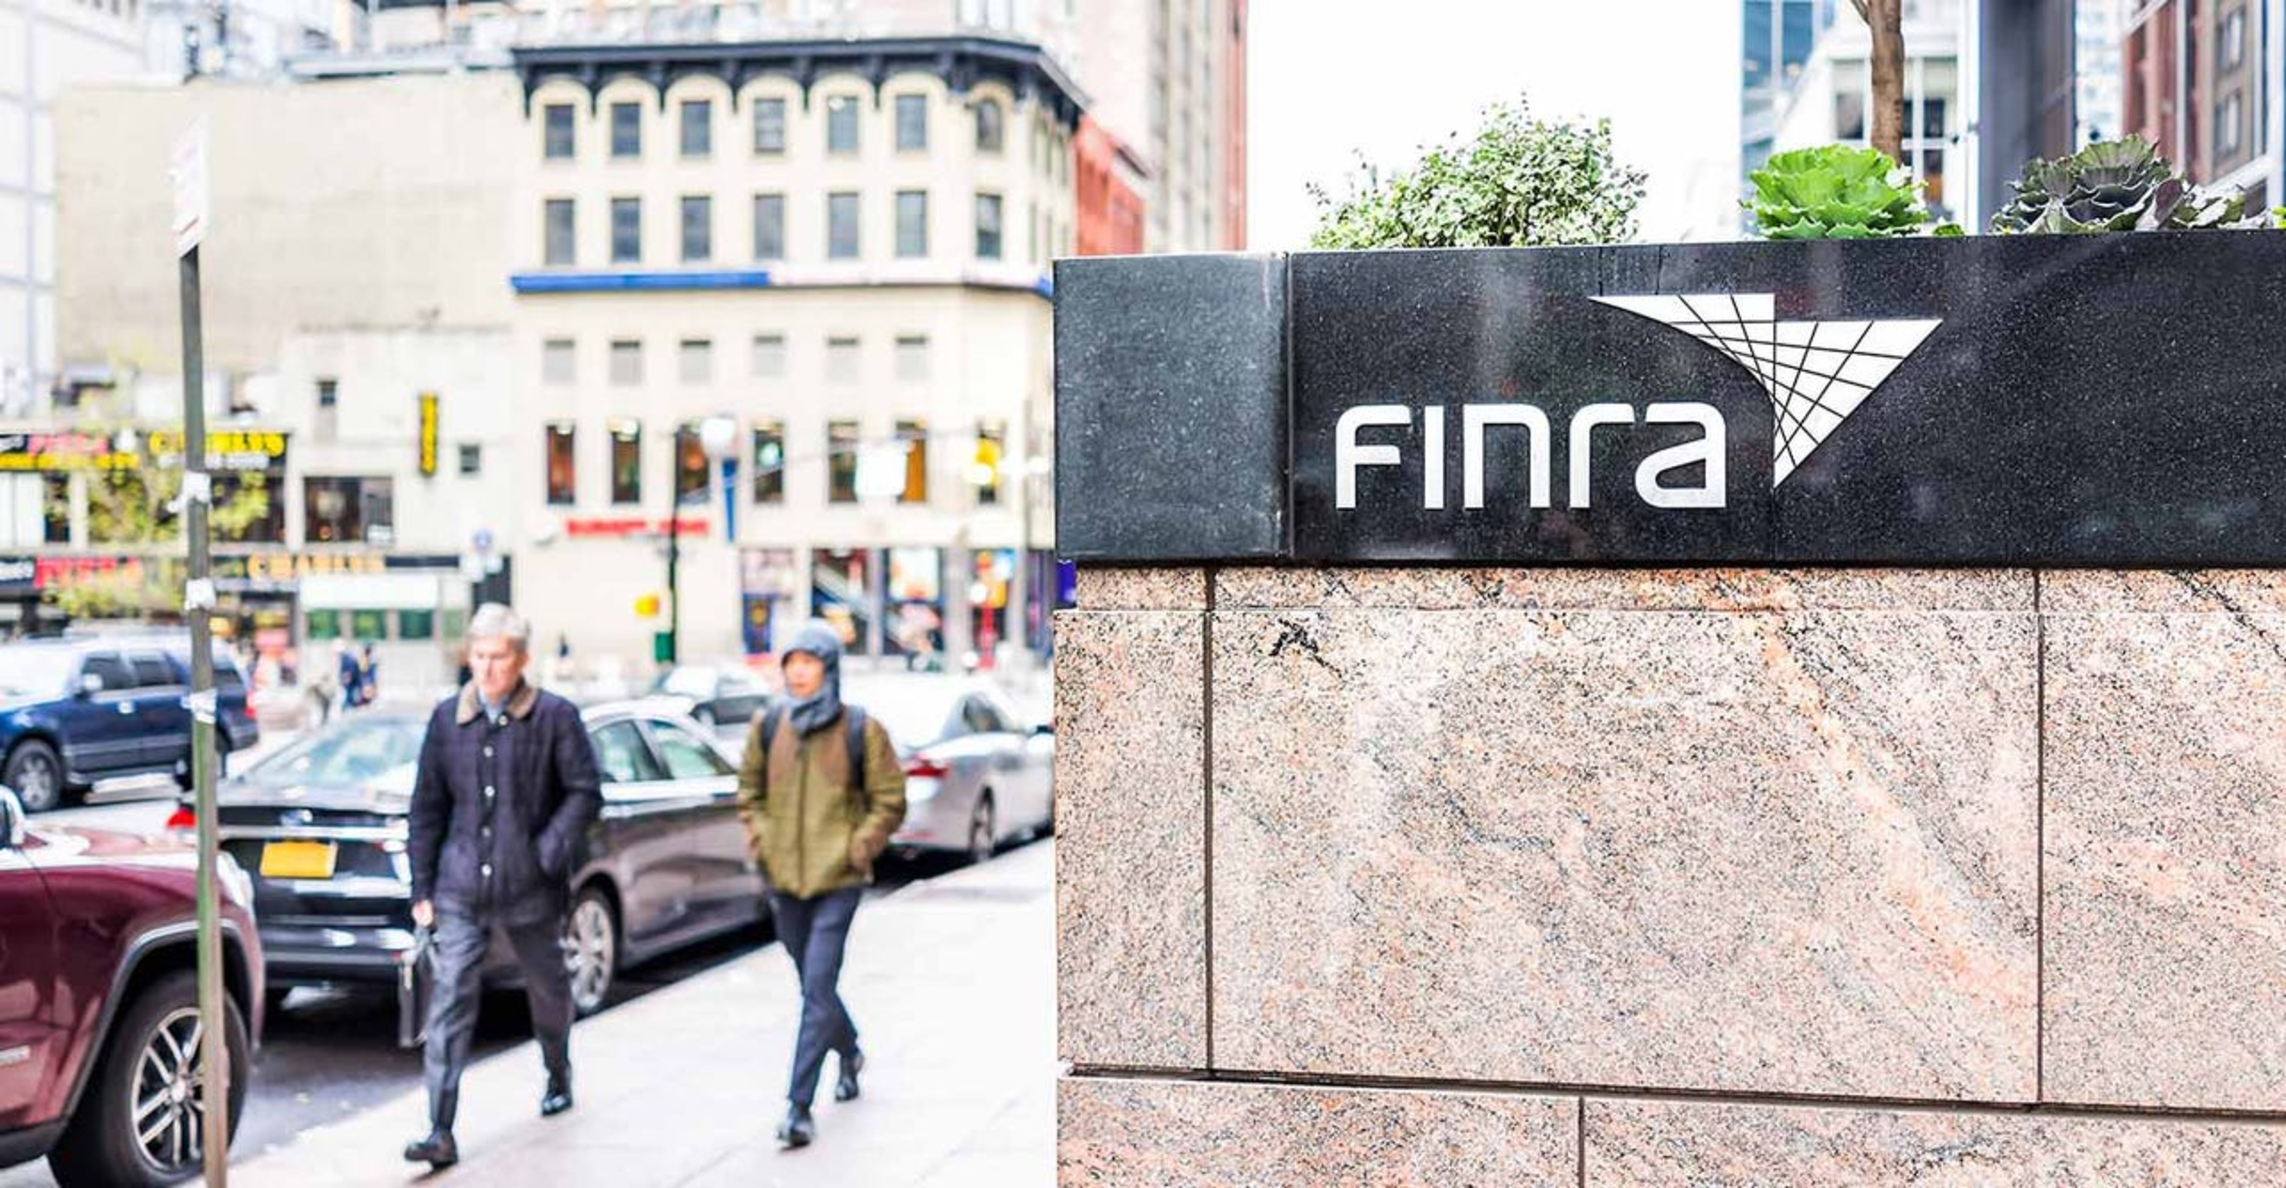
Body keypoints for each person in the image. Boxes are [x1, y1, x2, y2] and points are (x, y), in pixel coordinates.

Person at [402, 603, 602, 1170]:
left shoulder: (554, 716)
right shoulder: (448, 720)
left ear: (521, 660)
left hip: (529, 887)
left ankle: (557, 1071)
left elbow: (585, 791)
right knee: (449, 1003)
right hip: (460, 887)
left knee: (548, 990)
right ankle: (440, 1129)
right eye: (479, 656)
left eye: (499, 657)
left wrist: (548, 850)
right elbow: (427, 808)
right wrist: (423, 888)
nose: (487, 668)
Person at [736, 621, 906, 1150]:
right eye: (791, 663)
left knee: (816, 985)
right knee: (817, 988)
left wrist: (858, 847)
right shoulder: (769, 725)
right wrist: (764, 841)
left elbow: (890, 800)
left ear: (829, 669)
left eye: (808, 662)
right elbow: (748, 792)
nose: (798, 672)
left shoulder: (860, 729)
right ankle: (849, 1051)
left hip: (839, 879)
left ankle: (798, 1106)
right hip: (785, 879)